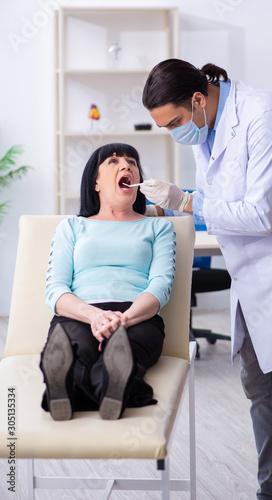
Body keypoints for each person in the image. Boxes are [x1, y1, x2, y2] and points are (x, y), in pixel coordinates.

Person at [140, 58, 272, 499]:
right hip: (250, 275)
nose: (175, 133)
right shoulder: (205, 128)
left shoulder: (267, 116)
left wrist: (186, 201)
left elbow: (261, 214)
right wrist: (168, 208)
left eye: (175, 122)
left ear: (196, 99)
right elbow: (217, 201)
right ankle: (269, 492)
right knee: (259, 392)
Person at [39, 142, 176, 421]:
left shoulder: (158, 227)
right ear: (96, 183)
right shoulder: (72, 227)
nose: (126, 165)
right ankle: (105, 388)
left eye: (132, 162)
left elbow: (160, 285)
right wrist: (96, 317)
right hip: (80, 312)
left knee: (125, 347)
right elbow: (56, 289)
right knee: (74, 346)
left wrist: (121, 321)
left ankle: (75, 389)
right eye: (113, 161)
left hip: (136, 315)